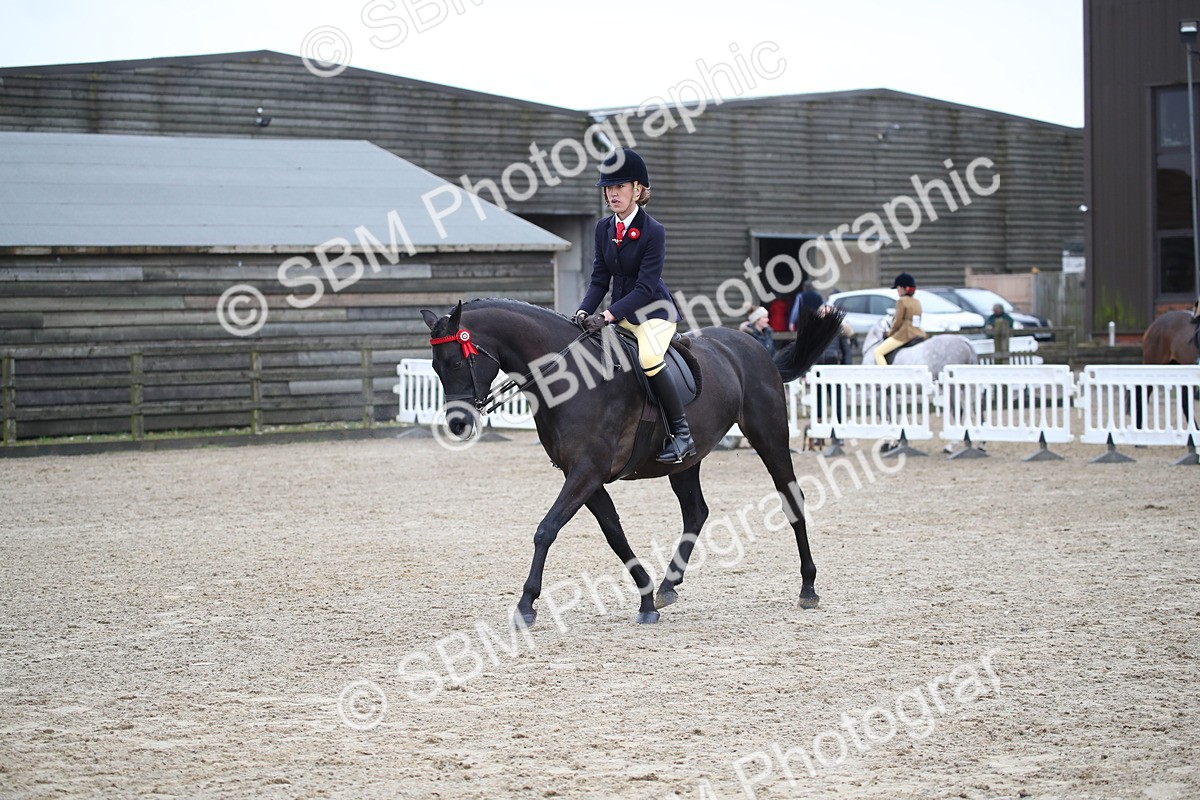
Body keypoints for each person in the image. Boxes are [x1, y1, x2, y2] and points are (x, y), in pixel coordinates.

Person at [574, 148, 695, 464]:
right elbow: (600, 279)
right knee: (593, 355)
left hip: (655, 313)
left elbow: (644, 287)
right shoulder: (603, 228)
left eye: (620, 187)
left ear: (638, 190)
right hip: (622, 315)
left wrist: (608, 315)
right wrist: (584, 311)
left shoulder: (654, 231)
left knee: (650, 357)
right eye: (608, 188)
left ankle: (682, 435)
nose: (612, 193)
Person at [873, 272, 926, 365]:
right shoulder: (917, 301)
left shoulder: (901, 301)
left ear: (903, 288)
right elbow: (917, 320)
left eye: (898, 288)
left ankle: (885, 376)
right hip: (918, 332)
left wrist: (889, 334)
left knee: (878, 352)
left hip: (905, 334)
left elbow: (898, 322)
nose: (897, 290)